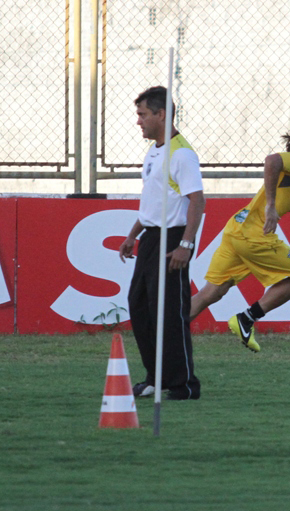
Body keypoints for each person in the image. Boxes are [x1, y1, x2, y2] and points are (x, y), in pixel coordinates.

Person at [190, 116, 290, 352]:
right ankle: (246, 319)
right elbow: (272, 161)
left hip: (237, 228)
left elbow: (288, 202)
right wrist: (270, 206)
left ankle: (165, 334)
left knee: (212, 292)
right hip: (255, 236)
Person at [119, 86, 205, 400]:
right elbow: (156, 202)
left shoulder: (180, 153)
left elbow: (197, 201)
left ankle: (184, 384)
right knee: (140, 307)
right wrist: (133, 234)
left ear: (161, 114)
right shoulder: (155, 151)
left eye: (143, 115)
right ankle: (156, 377)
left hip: (172, 239)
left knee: (169, 312)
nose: (138, 121)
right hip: (151, 238)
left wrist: (186, 245)